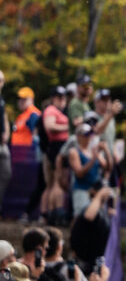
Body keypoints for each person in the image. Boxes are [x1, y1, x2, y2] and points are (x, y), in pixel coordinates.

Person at [39, 87, 70, 222]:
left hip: (58, 148)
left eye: (63, 98)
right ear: (53, 98)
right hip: (56, 148)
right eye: (59, 98)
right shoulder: (51, 110)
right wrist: (69, 128)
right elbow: (49, 126)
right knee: (56, 182)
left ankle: (49, 212)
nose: (62, 101)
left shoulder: (58, 111)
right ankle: (53, 212)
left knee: (53, 183)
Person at [66, 123, 109, 218]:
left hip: (94, 192)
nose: (88, 138)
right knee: (80, 219)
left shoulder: (93, 151)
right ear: (78, 136)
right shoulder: (74, 152)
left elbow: (108, 168)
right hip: (81, 190)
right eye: (85, 135)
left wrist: (106, 150)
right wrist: (93, 159)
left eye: (90, 135)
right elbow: (79, 173)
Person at [0, 71, 9, 210]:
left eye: (1, 80)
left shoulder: (1, 99)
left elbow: (5, 117)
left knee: (6, 173)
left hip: (2, 143)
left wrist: (6, 132)